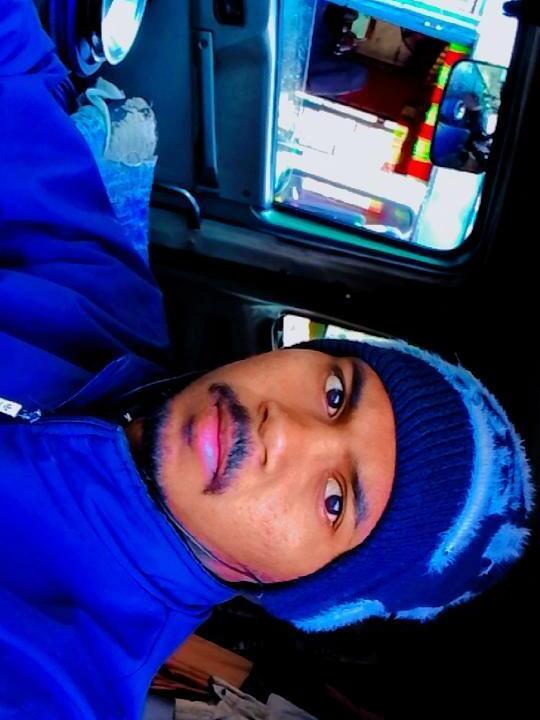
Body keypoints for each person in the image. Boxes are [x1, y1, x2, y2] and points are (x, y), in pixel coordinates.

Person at [0, 2, 534, 718]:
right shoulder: (109, 304)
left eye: (335, 501)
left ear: (292, 587)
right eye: (337, 395)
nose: (285, 430)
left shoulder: (61, 678)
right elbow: (17, 80)